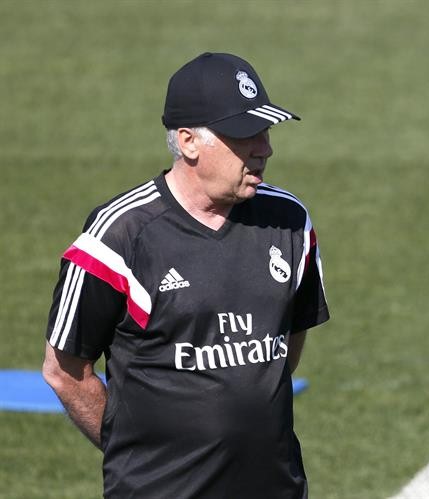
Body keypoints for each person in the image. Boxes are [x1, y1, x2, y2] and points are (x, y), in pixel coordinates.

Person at [42, 52, 329, 498]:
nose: (265, 148)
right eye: (245, 135)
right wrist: (134, 453)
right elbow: (64, 369)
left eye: (266, 131)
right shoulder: (120, 235)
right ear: (189, 142)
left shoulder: (290, 221)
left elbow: (286, 342)